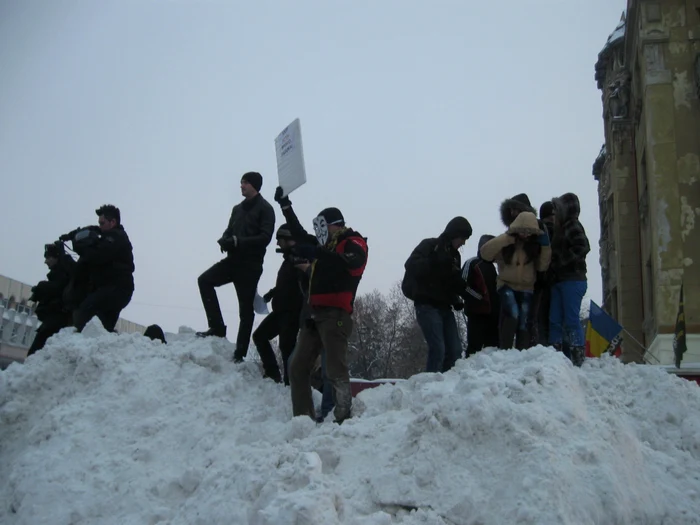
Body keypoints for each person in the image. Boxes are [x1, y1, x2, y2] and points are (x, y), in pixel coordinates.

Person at [275, 188, 368, 424]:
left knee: (335, 369)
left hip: (335, 314)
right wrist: (286, 206)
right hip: (314, 315)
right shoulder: (323, 246)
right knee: (297, 367)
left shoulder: (353, 242)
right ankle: (303, 420)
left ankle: (342, 418)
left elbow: (353, 262)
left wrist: (317, 252)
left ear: (335, 225)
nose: (320, 233)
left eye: (324, 228)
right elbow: (298, 233)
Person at [196, 172, 275, 363]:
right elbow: (229, 230)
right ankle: (217, 327)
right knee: (204, 280)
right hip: (232, 261)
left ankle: (239, 354)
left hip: (250, 265)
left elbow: (265, 238)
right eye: (241, 183)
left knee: (245, 310)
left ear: (254, 185)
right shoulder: (236, 209)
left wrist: (238, 241)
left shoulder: (266, 209)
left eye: (245, 183)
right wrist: (225, 240)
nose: (241, 186)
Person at [402, 217, 473, 373]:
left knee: (455, 350)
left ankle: (444, 387)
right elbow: (411, 265)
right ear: (454, 234)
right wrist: (434, 261)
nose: (463, 243)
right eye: (462, 238)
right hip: (426, 305)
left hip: (445, 307)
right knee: (438, 349)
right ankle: (431, 387)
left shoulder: (455, 257)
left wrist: (457, 297)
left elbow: (449, 282)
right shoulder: (429, 246)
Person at [480, 211, 551, 350]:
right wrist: (506, 239)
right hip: (506, 285)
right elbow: (485, 254)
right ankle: (505, 350)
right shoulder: (507, 244)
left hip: (527, 287)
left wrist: (545, 246)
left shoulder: (534, 246)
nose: (525, 234)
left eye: (529, 231)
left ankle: (521, 352)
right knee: (513, 314)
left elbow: (543, 266)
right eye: (522, 230)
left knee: (523, 320)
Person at [64, 205, 135, 332]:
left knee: (84, 313)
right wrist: (73, 234)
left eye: (103, 223)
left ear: (112, 222)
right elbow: (94, 229)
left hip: (116, 289)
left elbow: (96, 256)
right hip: (113, 289)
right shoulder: (109, 235)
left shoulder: (115, 237)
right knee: (102, 328)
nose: (100, 226)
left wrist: (77, 244)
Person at [252, 224, 304, 384]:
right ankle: (273, 373)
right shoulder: (288, 260)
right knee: (260, 336)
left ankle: (291, 385)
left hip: (291, 313)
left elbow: (302, 285)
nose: (277, 244)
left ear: (288, 239)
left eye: (279, 240)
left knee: (287, 348)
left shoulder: (299, 259)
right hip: (280, 311)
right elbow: (286, 284)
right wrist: (271, 294)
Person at [549, 192, 590, 367]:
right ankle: (555, 354)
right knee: (555, 319)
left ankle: (577, 355)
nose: (555, 213)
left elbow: (583, 246)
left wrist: (561, 261)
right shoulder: (562, 227)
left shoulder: (572, 225)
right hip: (560, 279)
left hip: (573, 279)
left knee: (571, 320)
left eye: (557, 209)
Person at [27, 242, 76, 355]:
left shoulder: (64, 272)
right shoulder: (61, 272)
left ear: (57, 258)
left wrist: (42, 287)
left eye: (48, 258)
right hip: (55, 317)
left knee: (37, 352)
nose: (46, 261)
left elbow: (59, 288)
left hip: (58, 317)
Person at [462, 234, 500, 356]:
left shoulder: (495, 267)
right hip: (477, 313)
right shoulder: (472, 263)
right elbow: (462, 285)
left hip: (494, 315)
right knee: (474, 349)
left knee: (493, 350)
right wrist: (479, 298)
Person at [533, 201, 556, 346]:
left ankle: (544, 347)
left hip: (540, 279)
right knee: (550, 318)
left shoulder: (538, 231)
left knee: (541, 318)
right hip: (550, 279)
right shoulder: (552, 232)